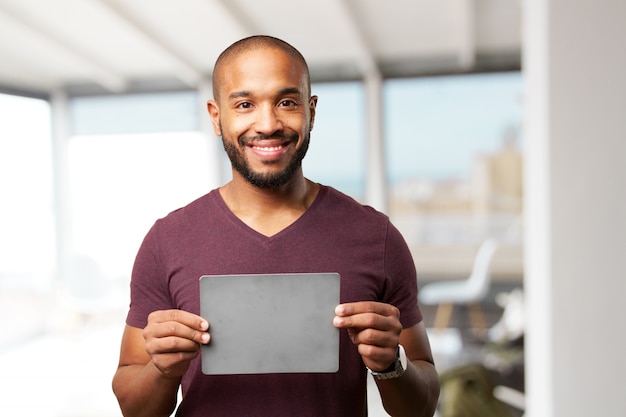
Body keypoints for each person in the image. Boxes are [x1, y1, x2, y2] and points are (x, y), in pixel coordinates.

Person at [112, 35, 440, 417]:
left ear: (311, 111)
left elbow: (422, 406)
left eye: (287, 102)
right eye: (245, 104)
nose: (267, 124)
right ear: (217, 117)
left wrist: (391, 365)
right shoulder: (166, 241)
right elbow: (134, 408)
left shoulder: (376, 236)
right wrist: (163, 370)